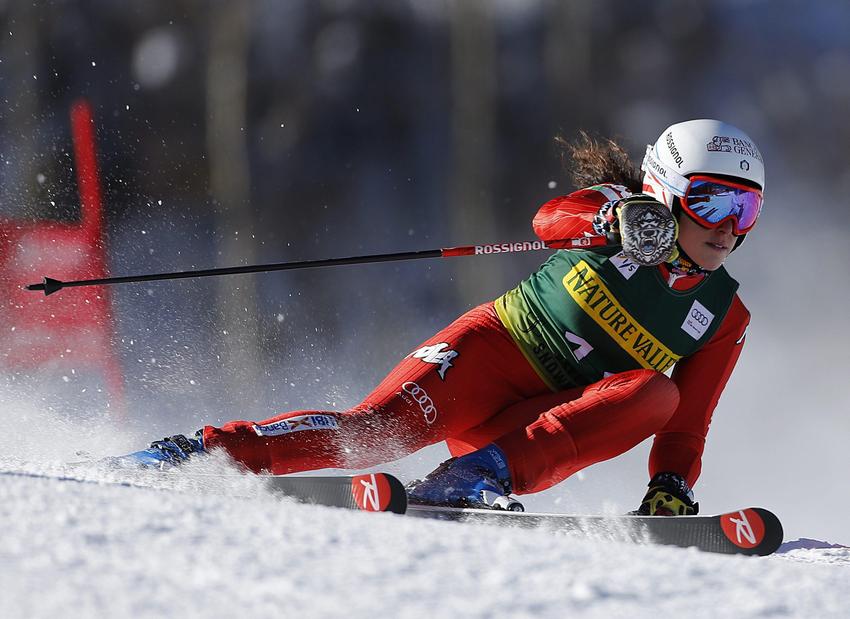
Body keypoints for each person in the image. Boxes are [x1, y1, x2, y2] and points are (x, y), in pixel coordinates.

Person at [121, 118, 764, 516]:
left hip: (527, 433)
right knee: (374, 435)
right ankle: (202, 450)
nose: (730, 230)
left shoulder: (722, 314)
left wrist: (672, 483)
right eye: (714, 204)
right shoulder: (615, 210)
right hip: (494, 354)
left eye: (748, 212)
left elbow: (689, 422)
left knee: (658, 392)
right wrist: (608, 221)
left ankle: (469, 477)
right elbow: (549, 219)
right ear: (664, 190)